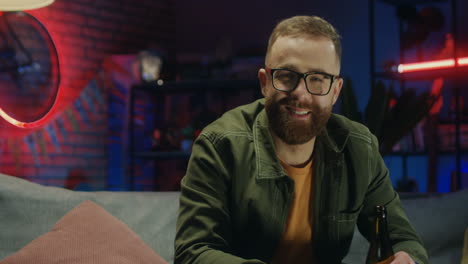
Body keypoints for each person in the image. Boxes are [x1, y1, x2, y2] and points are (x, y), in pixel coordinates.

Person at [175, 15, 428, 264]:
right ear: (265, 82)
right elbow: (193, 252)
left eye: (317, 79)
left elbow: (402, 239)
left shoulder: (359, 148)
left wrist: (406, 258)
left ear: (335, 91)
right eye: (287, 76)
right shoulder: (219, 145)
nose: (301, 93)